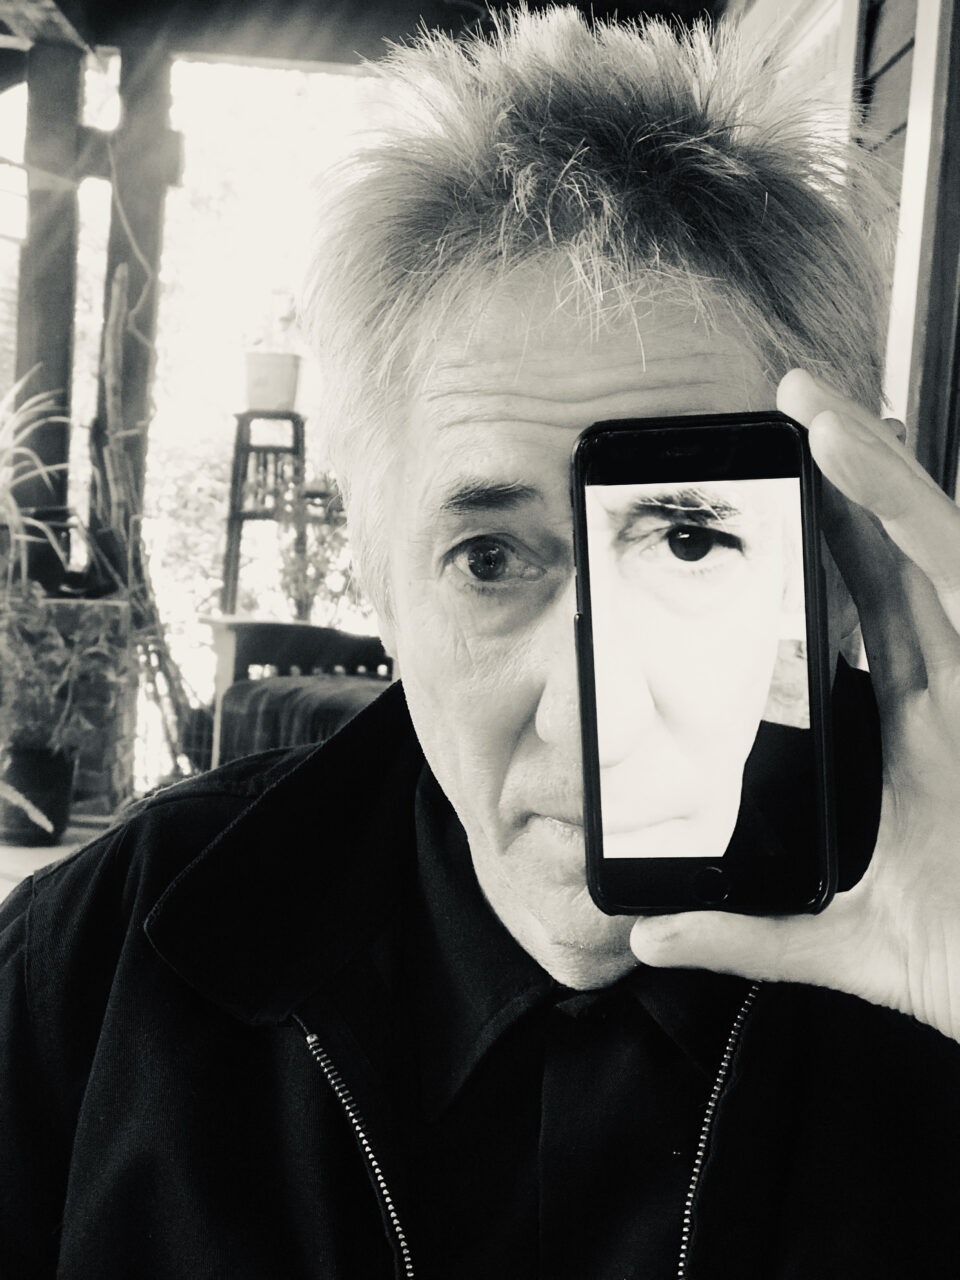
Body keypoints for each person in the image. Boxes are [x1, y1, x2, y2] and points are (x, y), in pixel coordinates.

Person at [3, 9, 960, 1278]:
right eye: (490, 560)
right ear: (379, 578)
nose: (585, 712)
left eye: (687, 543)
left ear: (843, 552)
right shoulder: (99, 971)